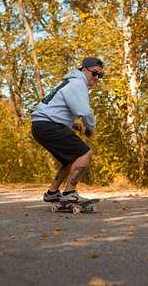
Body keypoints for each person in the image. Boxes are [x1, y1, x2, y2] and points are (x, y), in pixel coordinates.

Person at [31, 57, 104, 203]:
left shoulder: (69, 82)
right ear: (84, 69)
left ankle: (52, 192)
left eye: (100, 76)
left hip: (41, 125)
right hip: (48, 125)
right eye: (94, 73)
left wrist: (70, 124)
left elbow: (54, 107)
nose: (96, 78)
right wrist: (90, 128)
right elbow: (85, 111)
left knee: (70, 159)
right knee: (85, 153)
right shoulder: (78, 83)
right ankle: (69, 193)